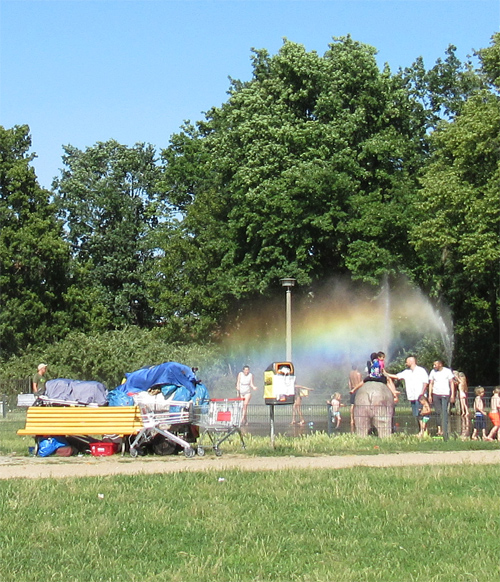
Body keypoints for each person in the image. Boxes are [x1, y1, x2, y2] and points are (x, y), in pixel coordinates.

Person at [384, 355, 429, 433]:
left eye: (407, 361)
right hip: (412, 396)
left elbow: (425, 382)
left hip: (420, 396)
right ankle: (422, 430)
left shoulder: (421, 371)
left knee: (423, 413)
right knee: (417, 414)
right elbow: (397, 376)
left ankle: (423, 431)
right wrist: (385, 374)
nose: (406, 363)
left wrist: (422, 392)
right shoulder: (406, 372)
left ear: (412, 361)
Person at [428, 360, 455, 441]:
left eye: (435, 364)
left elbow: (451, 383)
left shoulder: (447, 371)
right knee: (437, 412)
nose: (434, 366)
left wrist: (452, 394)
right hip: (436, 394)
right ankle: (439, 429)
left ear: (440, 364)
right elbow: (431, 383)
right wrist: (430, 395)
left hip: (445, 393)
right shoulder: (433, 372)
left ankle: (445, 429)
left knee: (444, 412)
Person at [348, 365, 362, 432]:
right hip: (357, 389)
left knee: (352, 405)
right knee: (358, 404)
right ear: (357, 367)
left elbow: (349, 383)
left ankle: (351, 419)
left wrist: (350, 389)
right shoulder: (358, 374)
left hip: (352, 389)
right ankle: (358, 418)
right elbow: (360, 382)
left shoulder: (350, 374)